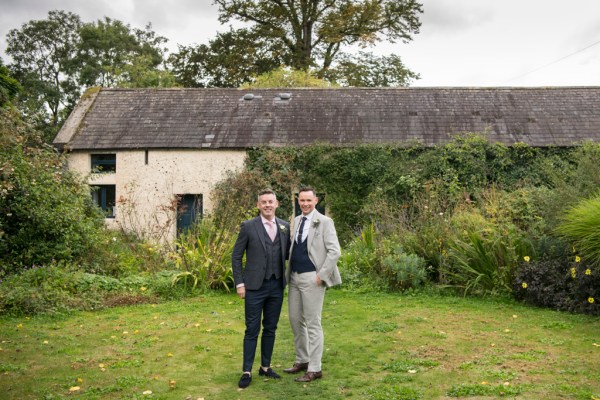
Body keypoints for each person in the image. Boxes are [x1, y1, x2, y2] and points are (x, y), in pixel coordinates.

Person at [232, 189, 291, 388]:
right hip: (254, 288)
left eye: (270, 202)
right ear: (258, 205)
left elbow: (289, 253)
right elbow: (236, 256)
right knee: (252, 329)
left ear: (277, 204)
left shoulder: (284, 226)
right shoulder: (248, 227)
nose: (267, 205)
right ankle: (247, 370)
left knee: (271, 328)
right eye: (263, 202)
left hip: (276, 286)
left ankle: (265, 367)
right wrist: (240, 283)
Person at [284, 186, 342, 382]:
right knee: (294, 320)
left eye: (309, 200)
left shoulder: (325, 222)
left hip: (312, 278)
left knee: (313, 323)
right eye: (302, 201)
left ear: (316, 201)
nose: (305, 204)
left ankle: (315, 368)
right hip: (294, 277)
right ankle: (303, 359)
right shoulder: (297, 220)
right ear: (298, 201)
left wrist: (322, 275)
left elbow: (335, 251)